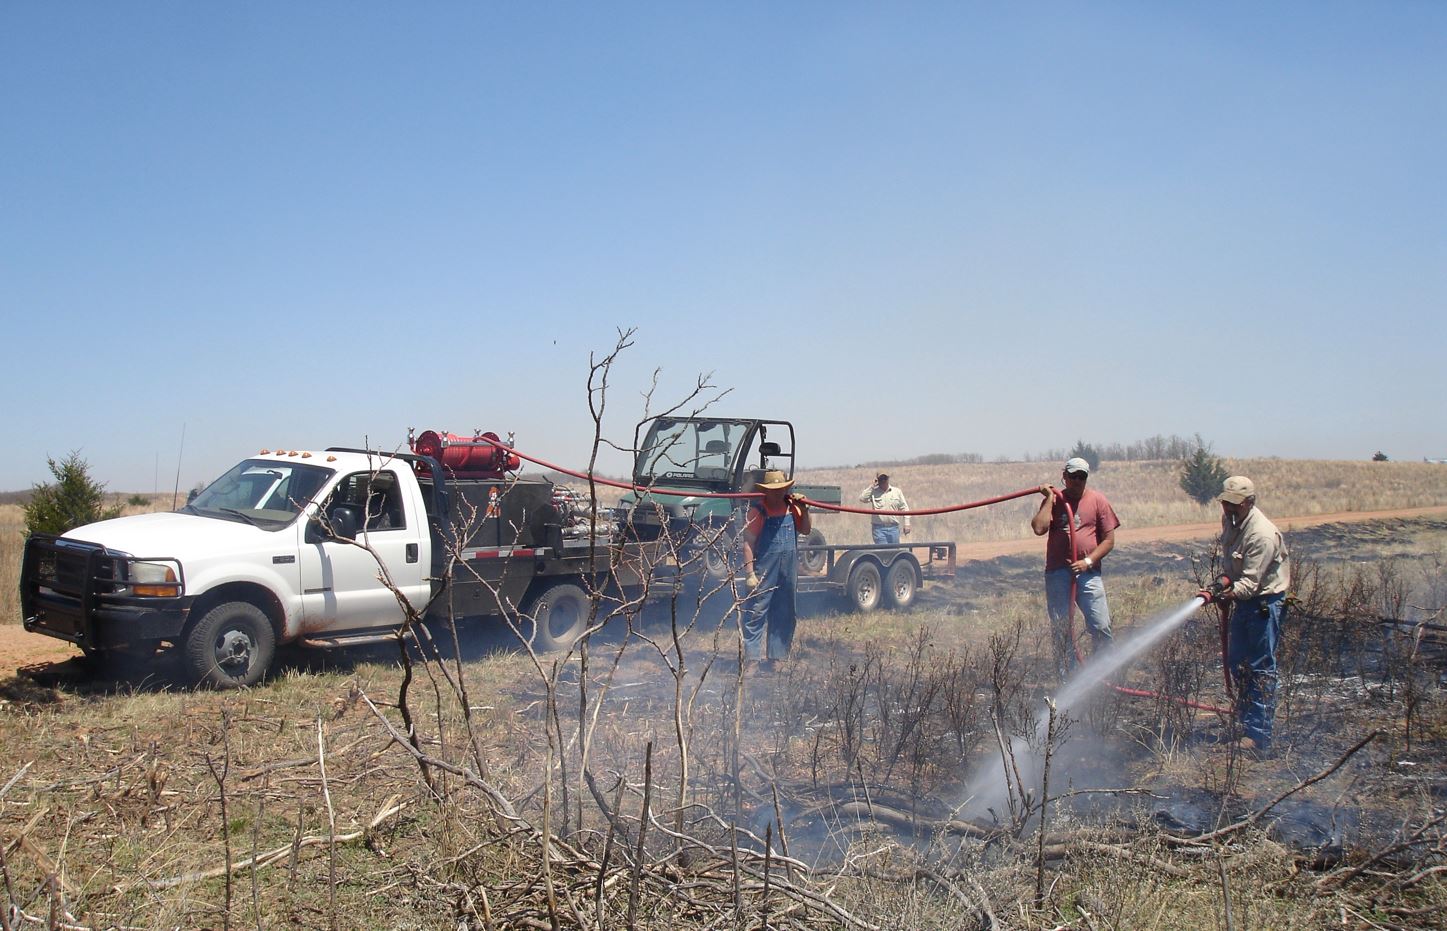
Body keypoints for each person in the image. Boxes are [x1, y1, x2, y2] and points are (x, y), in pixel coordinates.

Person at [1209, 475, 1290, 755]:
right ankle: (1245, 724)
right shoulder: (1231, 523)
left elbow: (1249, 584)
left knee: (1260, 668)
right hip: (1245, 603)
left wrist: (1225, 594)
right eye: (1226, 504)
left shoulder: (1261, 534)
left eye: (1235, 505)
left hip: (1263, 605)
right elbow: (1232, 568)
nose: (1229, 510)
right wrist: (1220, 583)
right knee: (1237, 665)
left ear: (1250, 502)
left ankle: (1259, 735)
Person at [1031, 456, 1120, 674]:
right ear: (1064, 477)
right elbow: (1039, 528)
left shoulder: (1098, 501)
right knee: (1062, 629)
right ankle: (1067, 678)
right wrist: (1050, 499)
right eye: (1073, 476)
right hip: (1058, 573)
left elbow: (1108, 541)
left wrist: (1087, 561)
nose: (1077, 481)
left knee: (1100, 625)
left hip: (1088, 573)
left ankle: (1105, 673)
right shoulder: (1055, 500)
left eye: (1082, 477)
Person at [740, 469, 812, 665]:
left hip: (788, 571)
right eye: (773, 490)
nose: (778, 493)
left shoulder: (793, 507)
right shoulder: (757, 511)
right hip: (764, 570)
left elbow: (805, 529)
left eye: (781, 489)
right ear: (766, 491)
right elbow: (748, 543)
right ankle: (752, 660)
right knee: (756, 612)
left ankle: (777, 658)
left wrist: (804, 509)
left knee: (785, 611)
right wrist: (749, 573)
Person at [858, 472, 911, 545]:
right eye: (880, 479)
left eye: (884, 478)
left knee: (895, 552)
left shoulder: (897, 492)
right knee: (883, 552)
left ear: (888, 479)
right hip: (879, 529)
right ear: (877, 480)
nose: (883, 481)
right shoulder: (873, 492)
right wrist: (871, 486)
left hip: (894, 528)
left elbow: (904, 508)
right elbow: (862, 498)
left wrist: (907, 524)